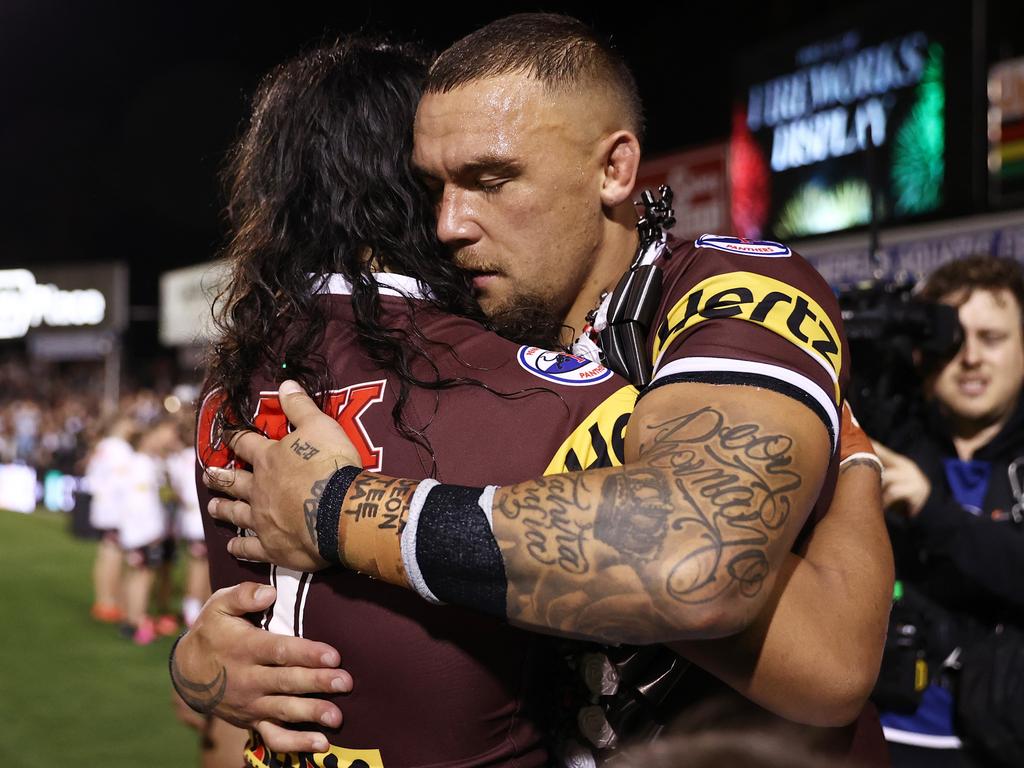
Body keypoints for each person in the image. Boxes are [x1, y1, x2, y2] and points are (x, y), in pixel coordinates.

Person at [185, 15, 891, 765]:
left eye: (492, 181)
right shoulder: (493, 339)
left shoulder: (730, 288)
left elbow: (737, 592)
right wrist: (202, 665)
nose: (451, 224)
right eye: (433, 189)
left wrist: (337, 507)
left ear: (615, 169)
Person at [871, 255, 1024, 767]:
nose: (971, 357)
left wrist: (931, 511)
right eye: (952, 339)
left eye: (993, 338)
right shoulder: (885, 437)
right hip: (875, 737)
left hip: (996, 745)